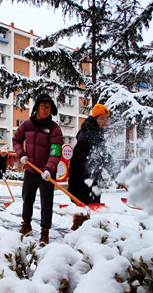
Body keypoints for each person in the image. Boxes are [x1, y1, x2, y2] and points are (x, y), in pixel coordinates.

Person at [12, 93, 63, 245]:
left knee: (46, 203)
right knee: (27, 199)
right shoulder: (27, 125)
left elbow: (55, 151)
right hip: (30, 170)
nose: (46, 110)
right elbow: (16, 139)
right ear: (37, 108)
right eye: (43, 107)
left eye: (49, 107)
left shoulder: (54, 128)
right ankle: (26, 225)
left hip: (46, 173)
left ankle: (44, 232)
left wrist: (49, 168)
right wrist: (21, 154)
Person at [67, 104, 113, 230]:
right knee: (87, 203)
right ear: (95, 118)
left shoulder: (90, 130)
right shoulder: (92, 133)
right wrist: (113, 170)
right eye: (101, 118)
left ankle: (79, 226)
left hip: (84, 173)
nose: (105, 121)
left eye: (106, 118)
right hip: (83, 175)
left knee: (82, 203)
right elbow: (103, 155)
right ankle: (83, 231)